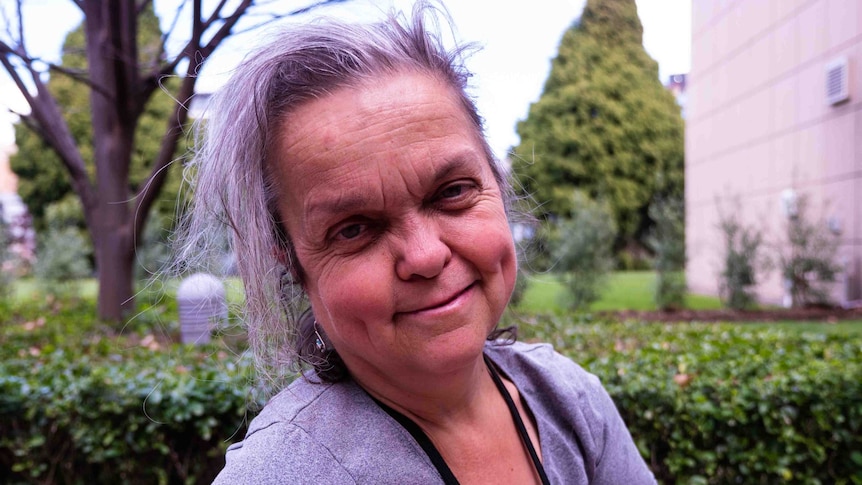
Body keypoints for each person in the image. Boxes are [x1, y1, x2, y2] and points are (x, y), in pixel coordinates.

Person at [176, 2, 656, 483]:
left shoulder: (568, 399)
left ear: (498, 182)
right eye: (354, 229)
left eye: (453, 192)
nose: (426, 256)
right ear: (291, 259)